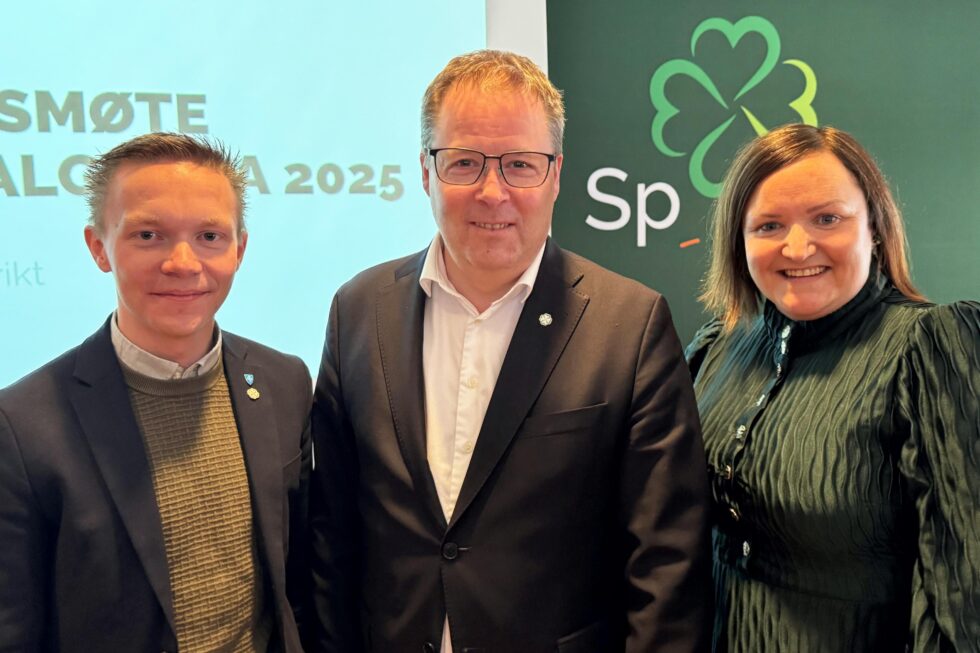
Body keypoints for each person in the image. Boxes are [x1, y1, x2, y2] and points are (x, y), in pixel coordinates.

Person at [306, 50, 712, 653]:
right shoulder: (359, 312)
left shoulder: (630, 324)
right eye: (464, 163)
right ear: (426, 172)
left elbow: (666, 566)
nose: (492, 192)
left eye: (520, 164)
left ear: (556, 174)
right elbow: (330, 538)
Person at [0, 133, 312, 652]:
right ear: (99, 247)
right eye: (148, 235)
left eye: (210, 236)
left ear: (240, 249)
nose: (183, 263)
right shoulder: (21, 426)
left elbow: (296, 581)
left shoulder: (284, 383)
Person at [687, 123, 980, 651]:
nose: (798, 247)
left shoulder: (929, 347)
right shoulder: (719, 347)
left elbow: (965, 590)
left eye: (827, 218)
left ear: (875, 228)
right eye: (769, 225)